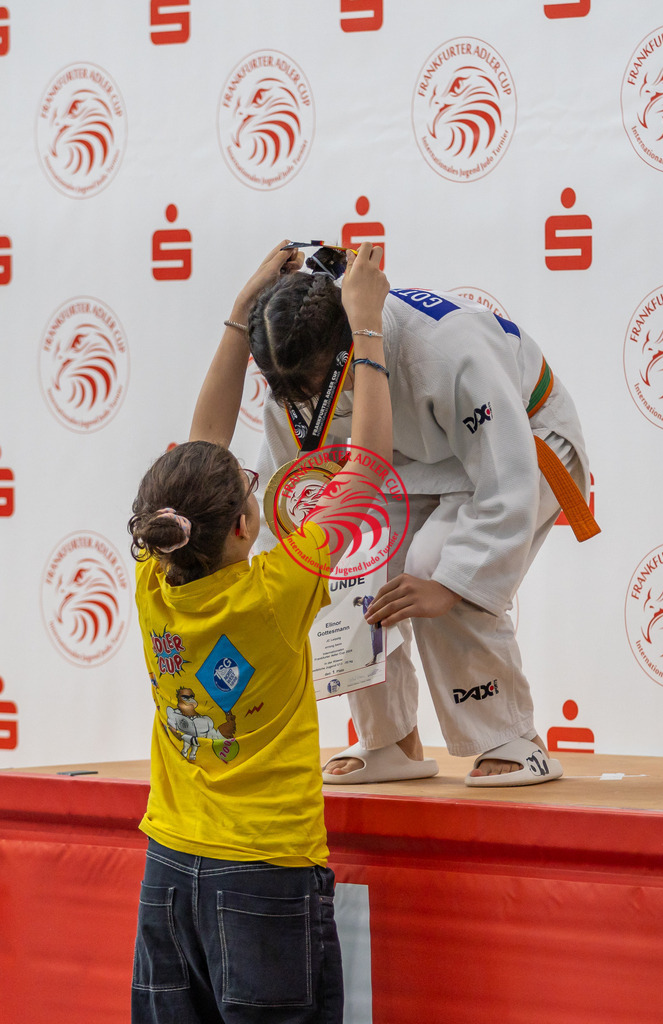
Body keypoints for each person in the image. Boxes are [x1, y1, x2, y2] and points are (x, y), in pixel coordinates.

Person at [128, 240, 391, 1024]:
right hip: (266, 872)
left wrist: (240, 316)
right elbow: (368, 465)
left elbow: (204, 442)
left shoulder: (152, 584)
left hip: (168, 866)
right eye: (251, 488)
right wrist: (366, 325)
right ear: (247, 526)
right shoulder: (276, 592)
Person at [248, 263, 599, 788]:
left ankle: (511, 738)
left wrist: (452, 584)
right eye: (292, 393)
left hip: (526, 438)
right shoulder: (294, 366)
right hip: (414, 462)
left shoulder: (448, 349)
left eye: (318, 386)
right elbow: (286, 492)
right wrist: (275, 585)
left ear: (348, 345)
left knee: (435, 565)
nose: (306, 400)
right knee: (341, 562)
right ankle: (390, 739)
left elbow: (506, 478)